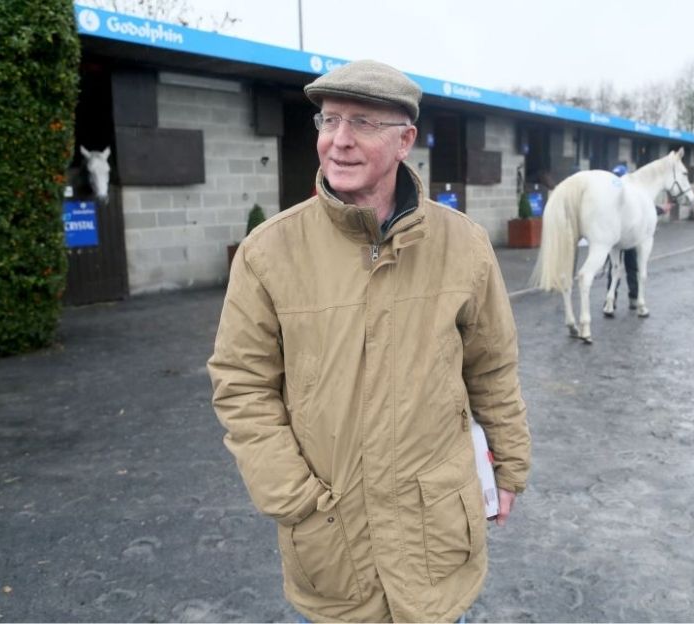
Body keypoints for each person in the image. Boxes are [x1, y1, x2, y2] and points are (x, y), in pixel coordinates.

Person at [207, 60, 532, 623]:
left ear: (405, 140)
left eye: (362, 123)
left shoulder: (465, 246)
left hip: (434, 535)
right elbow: (242, 388)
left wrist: (511, 468)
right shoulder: (268, 254)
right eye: (329, 120)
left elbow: (492, 368)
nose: (339, 141)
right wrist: (296, 501)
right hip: (334, 539)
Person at [606, 163, 640, 308]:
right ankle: (623, 299)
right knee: (626, 268)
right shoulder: (626, 193)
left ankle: (617, 299)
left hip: (622, 236)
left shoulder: (619, 193)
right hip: (624, 236)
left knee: (619, 268)